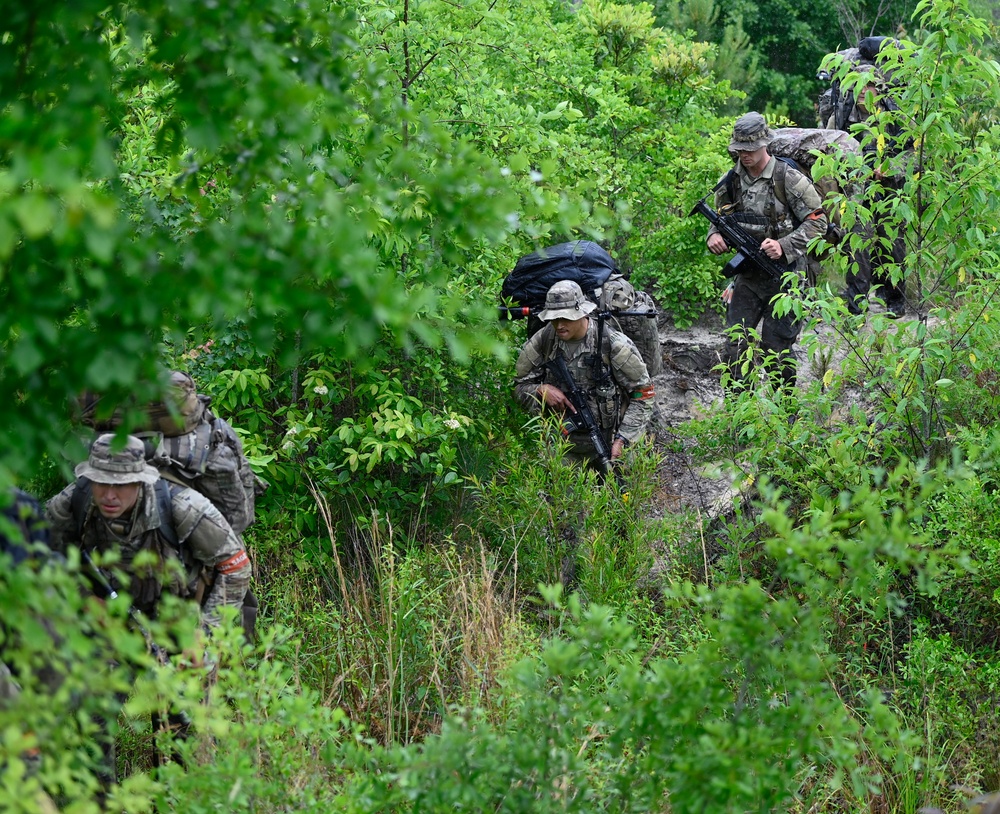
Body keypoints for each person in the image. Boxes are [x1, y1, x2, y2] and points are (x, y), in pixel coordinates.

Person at [46, 433, 252, 633]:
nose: (109, 495)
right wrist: (83, 597)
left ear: (139, 481)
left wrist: (206, 634)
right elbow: (39, 551)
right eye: (100, 482)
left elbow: (236, 566)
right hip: (105, 620)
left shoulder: (183, 506)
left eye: (120, 484)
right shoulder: (73, 500)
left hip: (181, 622)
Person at [707, 111, 828, 392]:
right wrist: (714, 236)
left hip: (786, 278)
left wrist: (783, 246)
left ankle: (783, 415)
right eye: (739, 150)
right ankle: (739, 415)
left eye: (749, 149)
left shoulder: (788, 178)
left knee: (777, 349)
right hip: (748, 278)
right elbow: (720, 219)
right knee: (736, 346)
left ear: (764, 144)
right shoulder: (730, 181)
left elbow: (819, 222)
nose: (744, 155)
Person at [514, 280, 654, 468]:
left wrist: (623, 439)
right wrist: (541, 390)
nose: (559, 325)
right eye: (554, 318)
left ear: (583, 312)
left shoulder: (612, 343)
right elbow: (518, 387)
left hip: (611, 443)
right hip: (563, 447)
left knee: (620, 492)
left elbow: (643, 394)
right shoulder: (543, 340)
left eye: (566, 318)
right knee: (563, 496)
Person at [835, 61, 909, 318]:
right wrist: (856, 170)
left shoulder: (893, 116)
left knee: (892, 244)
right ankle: (856, 307)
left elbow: (915, 152)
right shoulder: (842, 116)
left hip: (890, 191)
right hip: (857, 190)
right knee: (858, 245)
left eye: (871, 85)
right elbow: (828, 151)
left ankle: (895, 301)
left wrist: (893, 167)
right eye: (861, 85)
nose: (866, 90)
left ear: (879, 89)